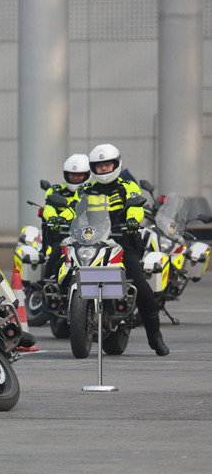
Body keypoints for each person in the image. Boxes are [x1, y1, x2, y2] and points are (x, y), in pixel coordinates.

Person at [82, 143, 168, 356]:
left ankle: (155, 337)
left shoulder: (126, 185)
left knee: (141, 288)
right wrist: (62, 219)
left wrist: (132, 220)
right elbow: (73, 209)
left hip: (123, 242)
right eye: (99, 166)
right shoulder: (87, 189)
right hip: (94, 242)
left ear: (116, 164)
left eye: (107, 165)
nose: (103, 170)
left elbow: (135, 206)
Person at [41, 154, 87, 279]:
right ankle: (46, 286)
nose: (76, 178)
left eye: (79, 175)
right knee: (55, 255)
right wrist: (53, 218)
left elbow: (77, 207)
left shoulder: (92, 191)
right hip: (64, 236)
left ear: (87, 174)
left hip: (89, 236)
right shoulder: (55, 191)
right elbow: (49, 207)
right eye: (72, 174)